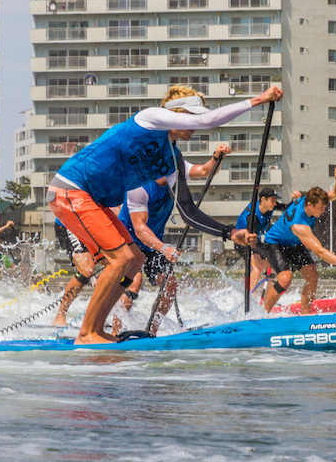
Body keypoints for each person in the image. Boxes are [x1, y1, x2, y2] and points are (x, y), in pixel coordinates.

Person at [48, 84, 276, 344]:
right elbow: (209, 121)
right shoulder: (151, 118)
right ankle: (85, 334)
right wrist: (259, 99)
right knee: (122, 258)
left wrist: (229, 232)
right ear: (176, 112)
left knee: (134, 260)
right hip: (72, 188)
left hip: (93, 200)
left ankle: (98, 330)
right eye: (192, 116)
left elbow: (188, 211)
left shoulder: (172, 159)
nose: (196, 124)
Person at [116, 144, 232, 332]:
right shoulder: (139, 187)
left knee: (169, 286)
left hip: (154, 243)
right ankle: (115, 331)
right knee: (133, 282)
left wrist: (217, 157)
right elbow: (140, 229)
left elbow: (204, 170)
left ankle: (151, 332)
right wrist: (164, 248)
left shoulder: (175, 171)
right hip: (128, 240)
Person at [260, 167, 336, 314]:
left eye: (325, 206)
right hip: (275, 243)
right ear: (310, 205)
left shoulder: (312, 199)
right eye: (321, 208)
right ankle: (262, 313)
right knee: (285, 279)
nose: (324, 210)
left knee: (312, 276)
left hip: (293, 243)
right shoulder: (299, 225)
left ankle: (305, 315)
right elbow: (319, 250)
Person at [235, 187, 299, 294]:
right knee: (258, 266)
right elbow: (251, 243)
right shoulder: (252, 217)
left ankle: (267, 299)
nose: (274, 204)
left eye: (275, 201)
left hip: (255, 239)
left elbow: (286, 207)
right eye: (272, 201)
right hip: (243, 241)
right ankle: (251, 297)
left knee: (272, 266)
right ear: (263, 199)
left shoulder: (269, 205)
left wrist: (294, 200)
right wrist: (266, 254)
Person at [50, 219, 99, 326]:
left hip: (91, 225)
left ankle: (98, 317)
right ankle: (60, 316)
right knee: (86, 270)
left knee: (114, 265)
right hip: (70, 222)